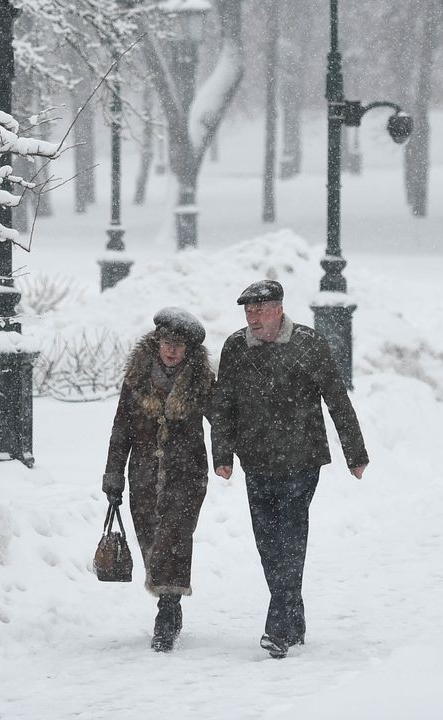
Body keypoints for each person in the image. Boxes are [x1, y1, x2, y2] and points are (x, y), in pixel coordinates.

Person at [211, 280, 369, 659]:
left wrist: (355, 452)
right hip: (257, 460)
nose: (253, 318)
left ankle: (278, 627)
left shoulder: (309, 344)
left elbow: (336, 397)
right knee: (268, 544)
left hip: (302, 458)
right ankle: (293, 618)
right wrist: (223, 454)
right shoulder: (236, 347)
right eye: (248, 311)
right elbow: (223, 404)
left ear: (279, 309)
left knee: (291, 537)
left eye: (260, 310)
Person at [102, 307, 214, 653]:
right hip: (144, 474)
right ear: (157, 342)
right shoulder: (137, 377)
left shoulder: (200, 381)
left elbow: (222, 420)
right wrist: (113, 474)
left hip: (187, 472)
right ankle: (170, 600)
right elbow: (121, 428)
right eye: (167, 342)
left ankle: (167, 611)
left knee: (176, 537)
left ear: (189, 350)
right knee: (151, 538)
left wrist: (228, 457)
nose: (171, 350)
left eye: (178, 346)